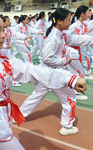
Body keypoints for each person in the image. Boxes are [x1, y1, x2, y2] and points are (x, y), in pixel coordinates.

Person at [0, 10, 86, 150]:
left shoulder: (5, 58)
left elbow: (32, 71)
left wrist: (69, 79)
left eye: (4, 30)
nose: (4, 35)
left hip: (1, 118)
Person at [19, 8, 93, 136]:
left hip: (48, 73)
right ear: (59, 21)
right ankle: (67, 126)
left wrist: (90, 40)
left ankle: (18, 116)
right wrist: (65, 60)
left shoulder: (61, 34)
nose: (70, 22)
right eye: (68, 19)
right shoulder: (54, 37)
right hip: (54, 74)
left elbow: (76, 39)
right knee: (70, 97)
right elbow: (47, 59)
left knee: (36, 97)